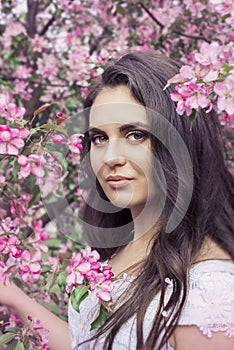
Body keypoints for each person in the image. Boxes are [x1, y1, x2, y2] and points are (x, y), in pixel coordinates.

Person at [0, 51, 234, 350]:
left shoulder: (208, 289)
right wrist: (11, 295)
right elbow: (87, 343)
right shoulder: (121, 247)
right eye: (99, 138)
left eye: (135, 134)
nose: (110, 158)